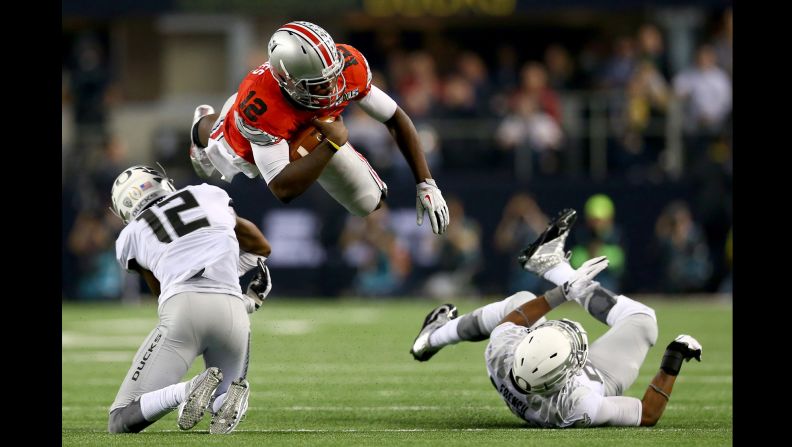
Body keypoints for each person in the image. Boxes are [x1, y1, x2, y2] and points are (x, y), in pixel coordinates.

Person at [410, 208, 702, 428]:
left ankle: (434, 336)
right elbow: (647, 413)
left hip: (537, 375)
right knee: (644, 320)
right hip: (602, 376)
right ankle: (552, 267)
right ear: (568, 373)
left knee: (520, 300)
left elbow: (517, 317)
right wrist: (672, 362)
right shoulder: (578, 404)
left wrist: (563, 292)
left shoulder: (502, 355)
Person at [188, 21, 449, 235]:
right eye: (319, 84)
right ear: (288, 81)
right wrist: (330, 145)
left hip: (318, 129)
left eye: (333, 77)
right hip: (271, 131)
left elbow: (395, 117)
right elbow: (282, 188)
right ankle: (202, 128)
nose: (332, 87)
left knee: (370, 202)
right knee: (228, 145)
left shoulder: (348, 66)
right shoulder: (261, 106)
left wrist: (426, 183)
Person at [106, 165, 274, 434]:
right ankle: (222, 401)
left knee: (120, 419)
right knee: (221, 404)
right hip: (234, 313)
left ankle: (188, 389)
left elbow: (163, 293)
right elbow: (260, 246)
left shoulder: (131, 234)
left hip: (184, 308)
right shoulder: (206, 194)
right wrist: (248, 298)